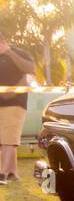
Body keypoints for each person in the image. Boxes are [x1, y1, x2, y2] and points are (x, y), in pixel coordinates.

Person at [0, 31, 38, 185]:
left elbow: (30, 69)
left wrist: (8, 53)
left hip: (15, 102)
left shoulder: (19, 53)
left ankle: (2, 173)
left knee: (9, 137)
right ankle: (13, 172)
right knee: (4, 138)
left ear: (3, 39)